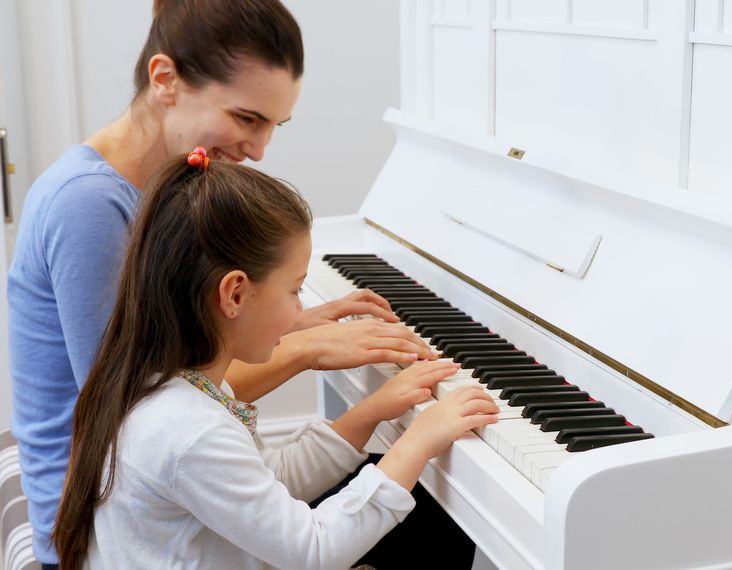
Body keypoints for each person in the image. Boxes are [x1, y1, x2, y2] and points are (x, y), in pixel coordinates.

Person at [5, 1, 434, 566]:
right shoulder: (88, 204)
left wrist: (289, 319)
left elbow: (175, 344)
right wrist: (303, 348)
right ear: (166, 80)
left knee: (405, 498)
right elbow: (134, 391)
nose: (258, 150)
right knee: (420, 516)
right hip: (98, 531)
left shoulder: (162, 192)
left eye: (274, 126)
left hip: (148, 505)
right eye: (247, 118)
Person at [51, 153, 498, 568]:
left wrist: (369, 414)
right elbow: (314, 550)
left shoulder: (175, 383)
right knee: (437, 517)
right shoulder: (187, 430)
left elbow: (268, 481)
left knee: (421, 503)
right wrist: (417, 442)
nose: (300, 311)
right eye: (294, 289)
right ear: (235, 294)